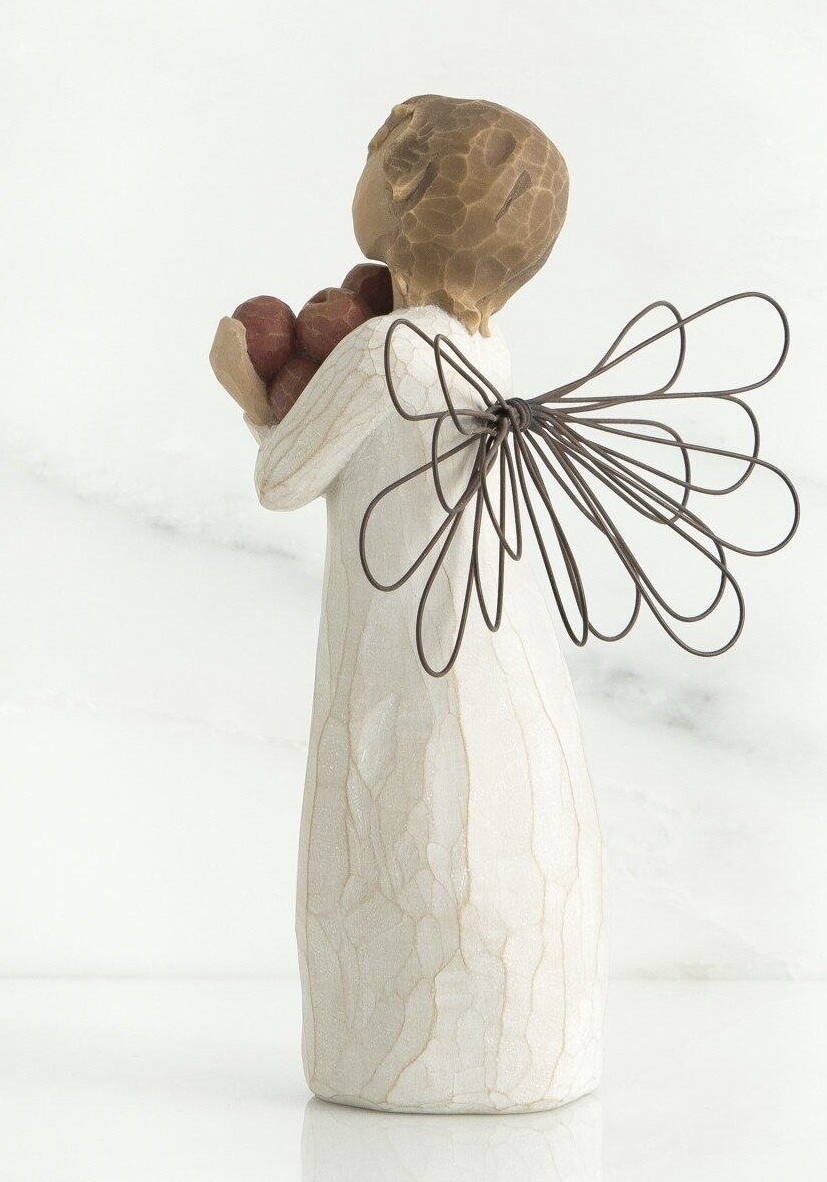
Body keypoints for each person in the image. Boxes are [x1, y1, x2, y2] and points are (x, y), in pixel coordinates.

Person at [212, 96, 605, 1113]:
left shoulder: (384, 351)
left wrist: (249, 393)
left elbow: (284, 479)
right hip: (497, 661)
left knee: (396, 837)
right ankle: (521, 1055)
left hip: (400, 667)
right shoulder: (486, 352)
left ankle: (386, 1061)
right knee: (497, 840)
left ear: (403, 185)